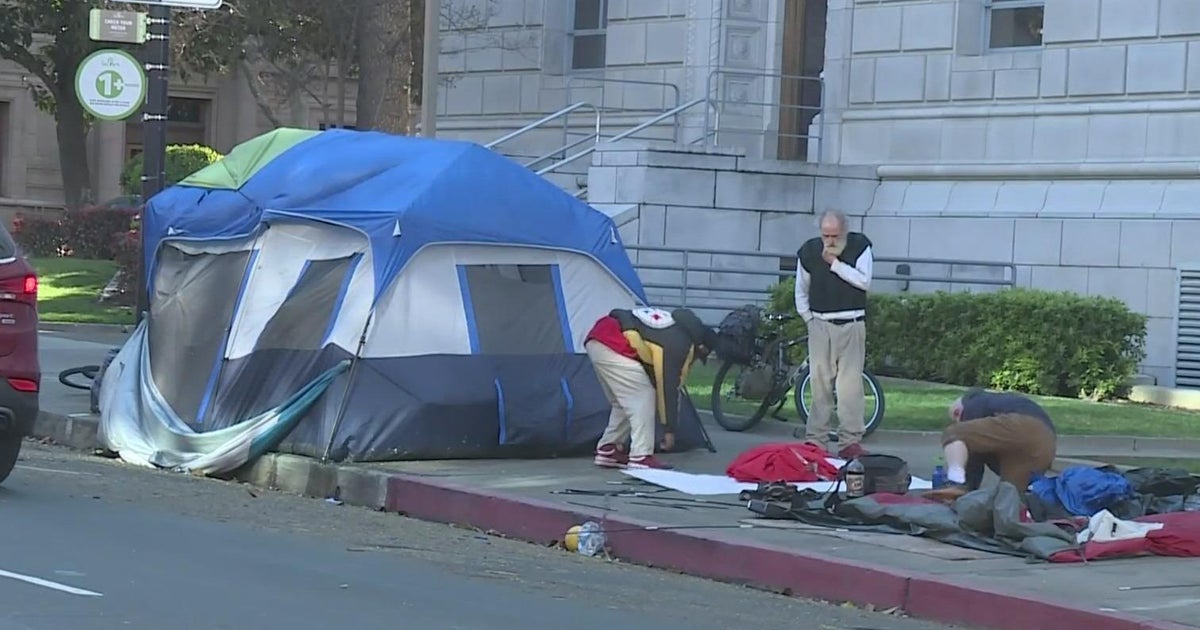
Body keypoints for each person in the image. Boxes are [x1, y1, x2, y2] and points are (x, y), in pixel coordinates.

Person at [583, 306, 718, 471]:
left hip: (599, 338)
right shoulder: (680, 345)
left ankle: (609, 449)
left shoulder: (672, 329)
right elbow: (668, 387)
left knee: (625, 400)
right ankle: (641, 456)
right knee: (644, 397)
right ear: (701, 347)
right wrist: (669, 430)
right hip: (613, 343)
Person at [793, 210, 874, 460]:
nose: (830, 241)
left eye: (835, 235)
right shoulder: (808, 252)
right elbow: (801, 289)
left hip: (851, 321)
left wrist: (835, 264)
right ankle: (816, 439)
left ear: (844, 231)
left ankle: (850, 440)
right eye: (825, 235)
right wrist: (809, 320)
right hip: (820, 323)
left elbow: (864, 281)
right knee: (820, 384)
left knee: (850, 386)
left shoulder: (860, 247)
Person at [924, 388, 1058, 502]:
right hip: (1046, 446)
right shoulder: (1001, 407)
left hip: (1024, 425)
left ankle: (955, 478)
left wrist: (963, 485)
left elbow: (969, 445)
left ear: (958, 411)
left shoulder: (974, 401)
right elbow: (976, 458)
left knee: (954, 433)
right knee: (1007, 499)